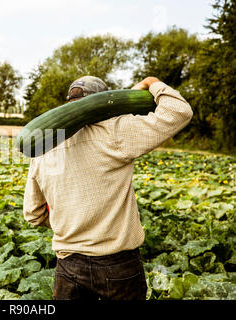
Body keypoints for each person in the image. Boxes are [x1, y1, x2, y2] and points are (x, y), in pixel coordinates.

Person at [22, 75, 193, 300]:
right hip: (118, 267)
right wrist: (152, 83)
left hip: (67, 267)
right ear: (103, 102)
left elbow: (33, 214)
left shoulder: (45, 148)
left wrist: (70, 222)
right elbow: (179, 111)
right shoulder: (116, 132)